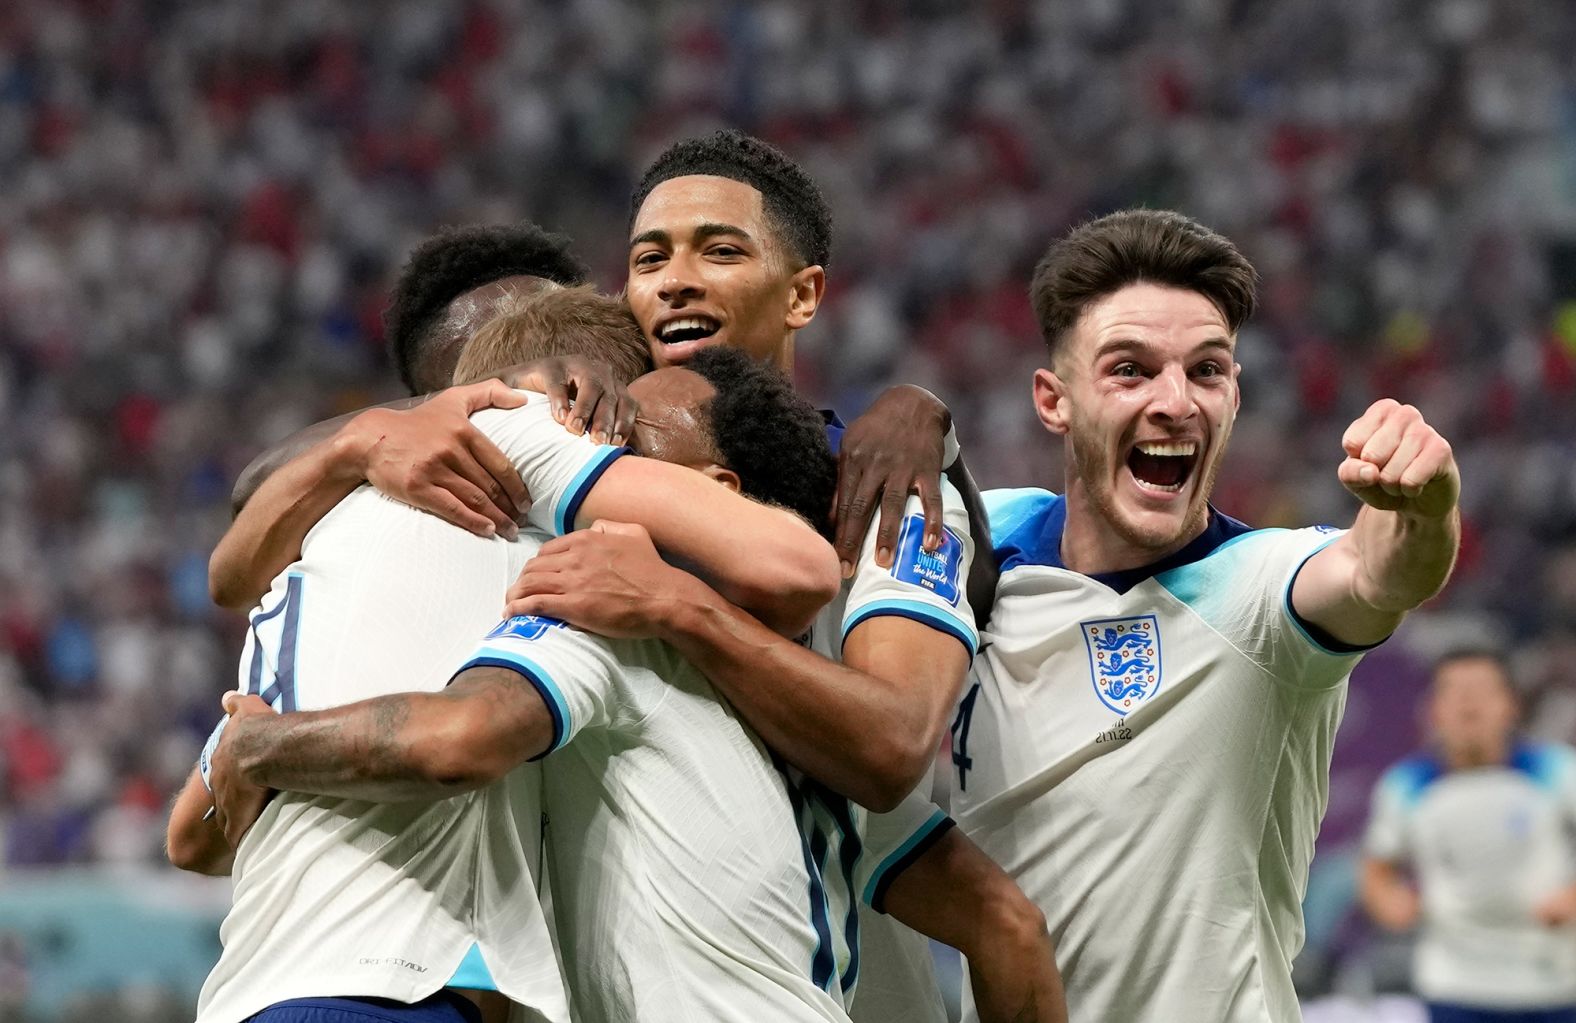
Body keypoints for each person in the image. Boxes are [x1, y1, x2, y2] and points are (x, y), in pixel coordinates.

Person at [205, 341, 1064, 1022]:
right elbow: (1010, 927)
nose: (595, 447)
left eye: (628, 439)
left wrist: (257, 747)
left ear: (714, 492)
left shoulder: (611, 620)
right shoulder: (807, 734)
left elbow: (455, 738)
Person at [168, 286, 845, 1023]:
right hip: (392, 986)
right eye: (629, 418)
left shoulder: (331, 529)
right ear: (582, 401)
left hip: (253, 989)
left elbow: (191, 836)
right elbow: (799, 566)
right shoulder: (521, 443)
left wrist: (255, 748)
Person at [943, 208, 1463, 1022]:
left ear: (1235, 394)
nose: (1176, 402)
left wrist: (1425, 503)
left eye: (1207, 371)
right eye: (1131, 370)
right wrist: (902, 419)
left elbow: (1376, 571)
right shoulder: (984, 536)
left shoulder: (1255, 590)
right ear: (1054, 400)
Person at [1361, 649, 1576, 1023]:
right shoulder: (1406, 786)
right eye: (1453, 691)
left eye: (1481, 690)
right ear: (1433, 709)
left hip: (1552, 982)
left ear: (1511, 704)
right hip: (1454, 985)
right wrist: (1390, 903)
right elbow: (1377, 867)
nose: (1467, 703)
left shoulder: (1557, 771)